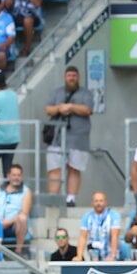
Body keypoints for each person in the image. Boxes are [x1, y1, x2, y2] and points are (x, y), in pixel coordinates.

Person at [45, 66, 93, 206]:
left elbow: (88, 109)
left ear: (78, 77)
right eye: (69, 75)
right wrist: (59, 108)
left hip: (78, 138)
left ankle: (70, 198)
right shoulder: (57, 92)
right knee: (54, 168)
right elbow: (48, 109)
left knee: (74, 168)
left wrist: (71, 107)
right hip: (57, 138)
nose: (71, 78)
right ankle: (53, 198)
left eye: (74, 75)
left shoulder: (86, 93)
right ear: (65, 77)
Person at [0, 163, 31, 256]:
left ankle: (18, 251)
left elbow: (25, 212)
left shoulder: (26, 191)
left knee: (23, 218)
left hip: (13, 225)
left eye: (19, 175)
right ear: (8, 176)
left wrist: (8, 222)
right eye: (14, 175)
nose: (16, 178)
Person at [75, 191, 122, 261]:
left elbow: (114, 236)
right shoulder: (87, 216)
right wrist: (79, 256)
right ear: (92, 203)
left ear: (105, 202)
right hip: (94, 255)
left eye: (101, 201)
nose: (98, 203)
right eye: (96, 201)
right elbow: (82, 237)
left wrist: (112, 255)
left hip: (110, 256)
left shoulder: (114, 215)